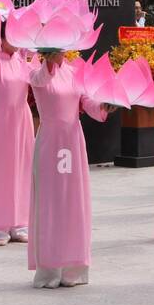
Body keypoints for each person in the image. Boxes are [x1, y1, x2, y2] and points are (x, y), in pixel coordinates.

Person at [28, 50, 113, 288]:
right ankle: (50, 270)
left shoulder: (76, 72)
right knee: (51, 201)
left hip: (73, 141)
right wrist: (48, 60)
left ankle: (73, 269)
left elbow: (88, 101)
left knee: (73, 200)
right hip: (50, 142)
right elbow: (40, 81)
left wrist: (105, 105)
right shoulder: (37, 72)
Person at [0, 0, 35, 245]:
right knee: (2, 170)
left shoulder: (22, 59)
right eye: (9, 37)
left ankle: (20, 223)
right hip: (1, 118)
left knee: (24, 168)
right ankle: (1, 226)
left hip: (22, 117)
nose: (15, 42)